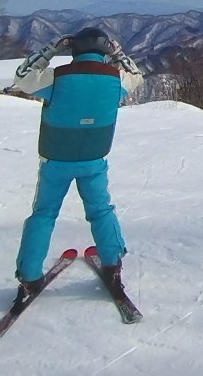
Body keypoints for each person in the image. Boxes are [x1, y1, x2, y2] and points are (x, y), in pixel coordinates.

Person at [10, 27, 138, 303]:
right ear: (103, 50)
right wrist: (118, 53)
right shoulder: (116, 80)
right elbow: (137, 77)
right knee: (102, 211)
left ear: (74, 50)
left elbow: (22, 78)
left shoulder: (58, 78)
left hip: (56, 158)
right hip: (94, 158)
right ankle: (113, 265)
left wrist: (51, 50)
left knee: (43, 214)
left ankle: (30, 276)